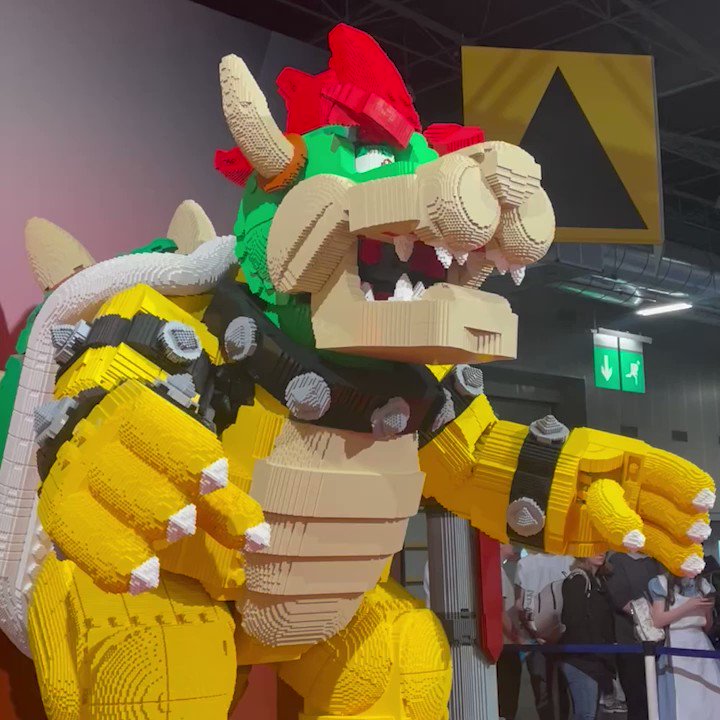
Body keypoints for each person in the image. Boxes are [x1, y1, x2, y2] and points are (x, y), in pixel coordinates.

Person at [649, 572, 720, 720]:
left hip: (701, 645)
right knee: (683, 699)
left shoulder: (703, 585)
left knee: (709, 697)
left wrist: (707, 610)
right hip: (676, 643)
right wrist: (688, 606)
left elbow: (707, 626)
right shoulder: (662, 583)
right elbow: (658, 620)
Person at [515, 551, 573, 720]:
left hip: (562, 637)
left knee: (558, 688)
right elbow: (520, 604)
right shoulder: (525, 564)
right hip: (536, 639)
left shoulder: (569, 560)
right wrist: (534, 632)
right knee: (544, 689)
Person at [604, 551, 661, 720]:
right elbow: (621, 600)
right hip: (630, 641)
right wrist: (648, 616)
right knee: (637, 699)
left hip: (656, 640)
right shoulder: (618, 560)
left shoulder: (653, 561)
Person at [559, 554, 616, 720]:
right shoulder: (577, 579)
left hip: (596, 658)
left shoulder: (600, 580)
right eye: (594, 548)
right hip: (582, 659)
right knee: (586, 715)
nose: (601, 552)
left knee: (590, 714)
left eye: (602, 547)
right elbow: (572, 621)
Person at [497, 544, 522, 720]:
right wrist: (515, 638)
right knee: (508, 697)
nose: (513, 545)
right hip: (506, 646)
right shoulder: (497, 573)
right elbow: (500, 611)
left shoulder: (500, 571)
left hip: (506, 644)